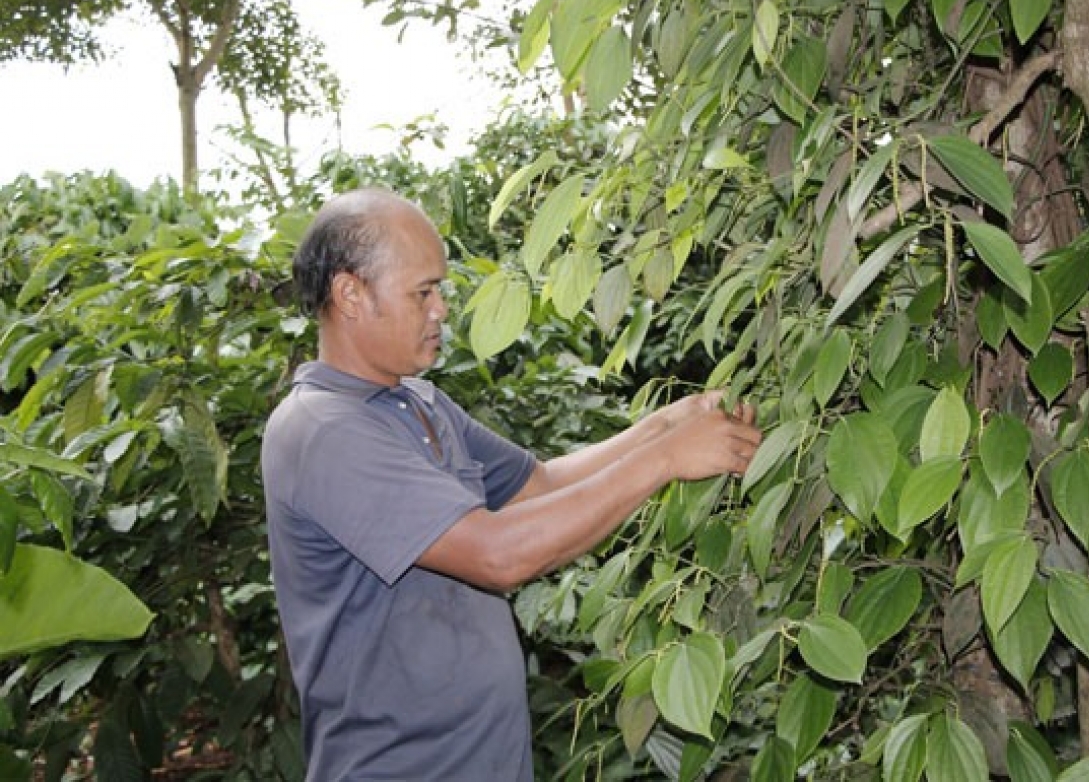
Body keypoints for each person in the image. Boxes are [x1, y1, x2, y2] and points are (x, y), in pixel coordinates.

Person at [261, 187, 762, 781]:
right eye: (423, 292)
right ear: (350, 294)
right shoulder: (323, 431)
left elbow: (540, 485)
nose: (441, 309)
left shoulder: (418, 402)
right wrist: (666, 460)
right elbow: (496, 554)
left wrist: (662, 427)